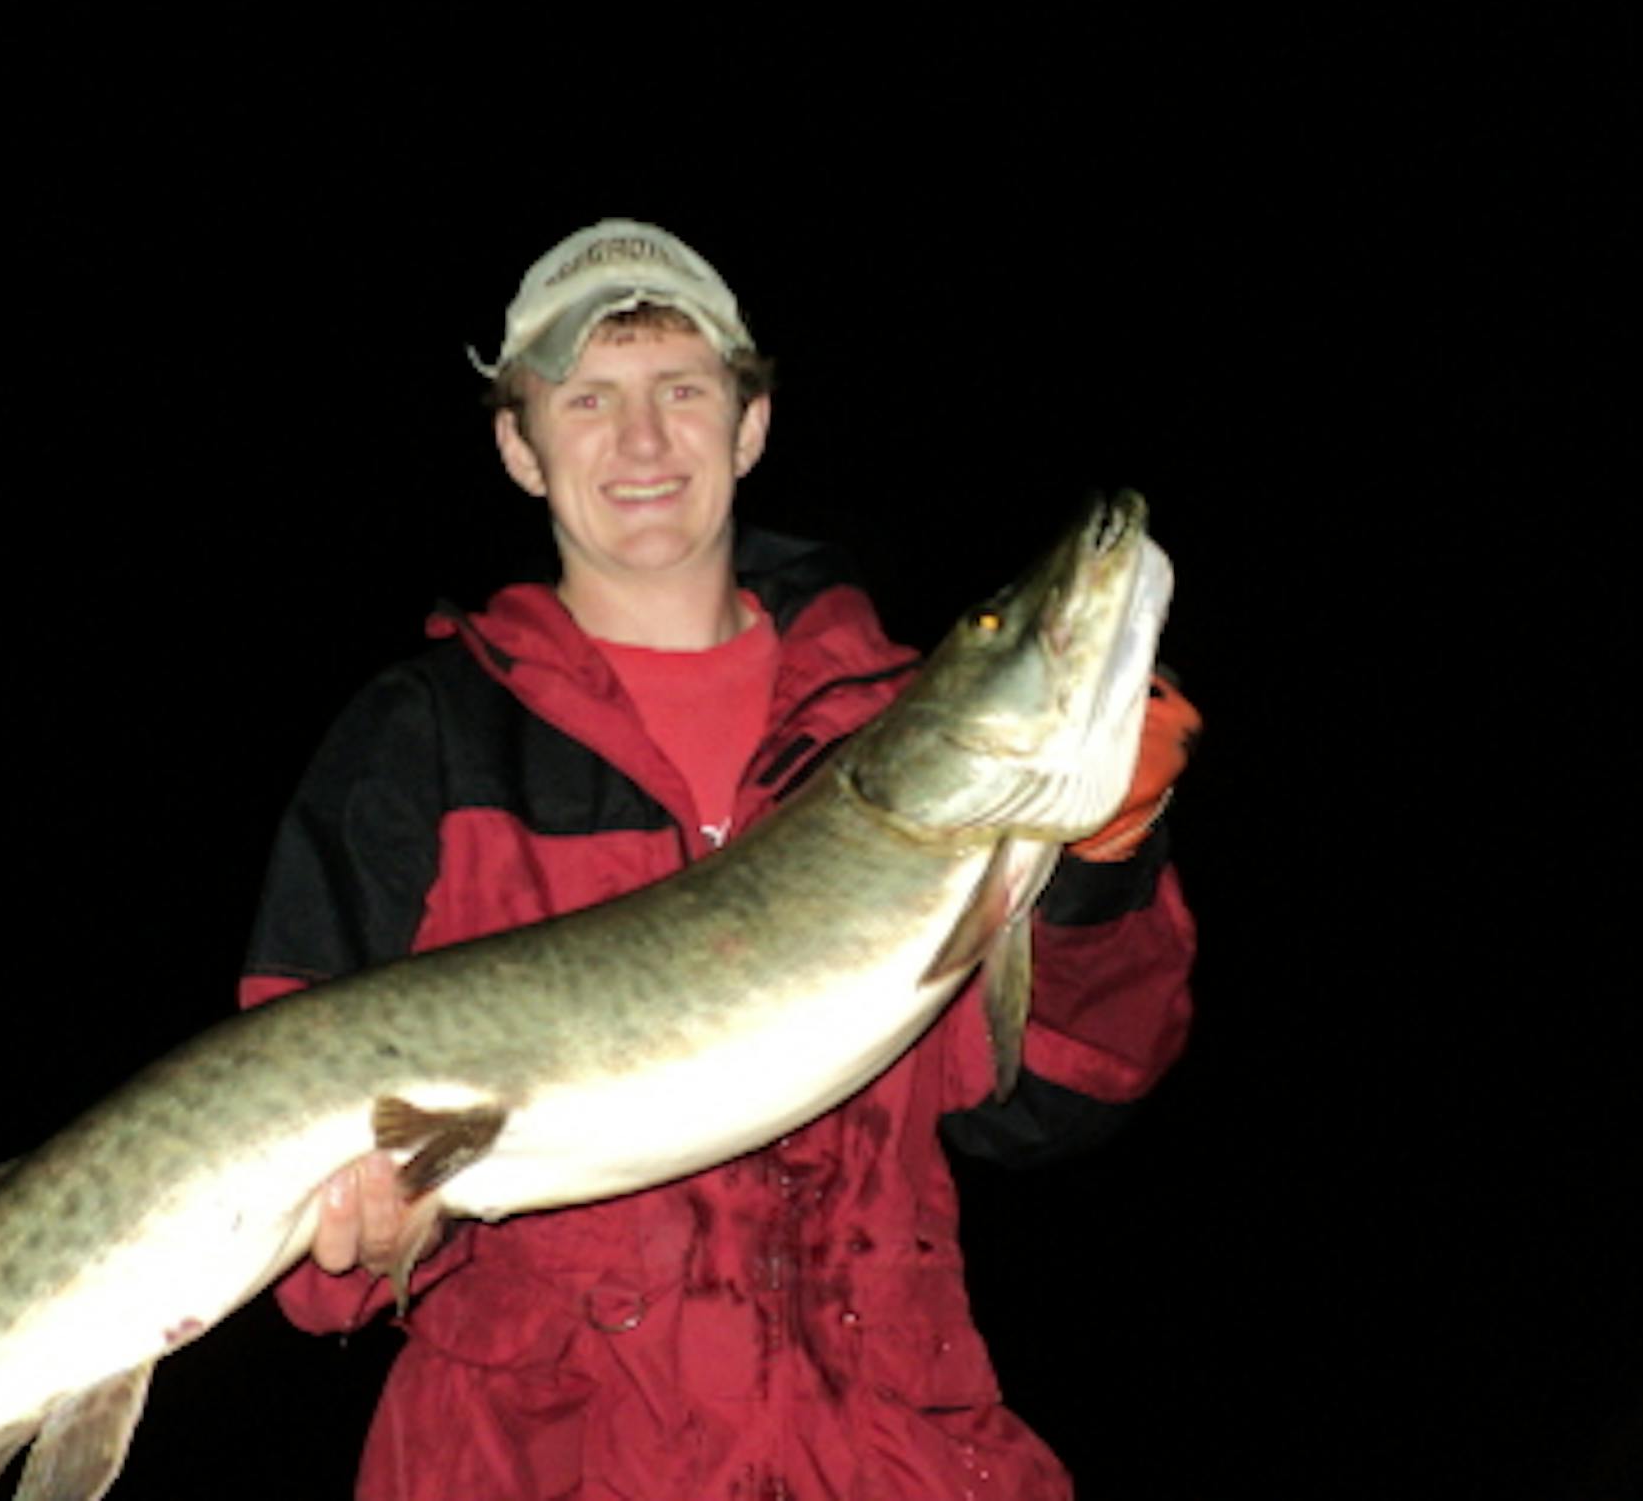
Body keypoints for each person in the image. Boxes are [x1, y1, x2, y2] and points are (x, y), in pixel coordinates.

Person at [241, 219, 1201, 1499]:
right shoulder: (416, 744)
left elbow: (1060, 1090)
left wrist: (1099, 862)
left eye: (682, 391)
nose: (643, 443)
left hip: (895, 1456)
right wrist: (349, 1238)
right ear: (519, 446)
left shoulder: (876, 729)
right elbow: (296, 1207)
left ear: (748, 426)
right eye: (588, 398)